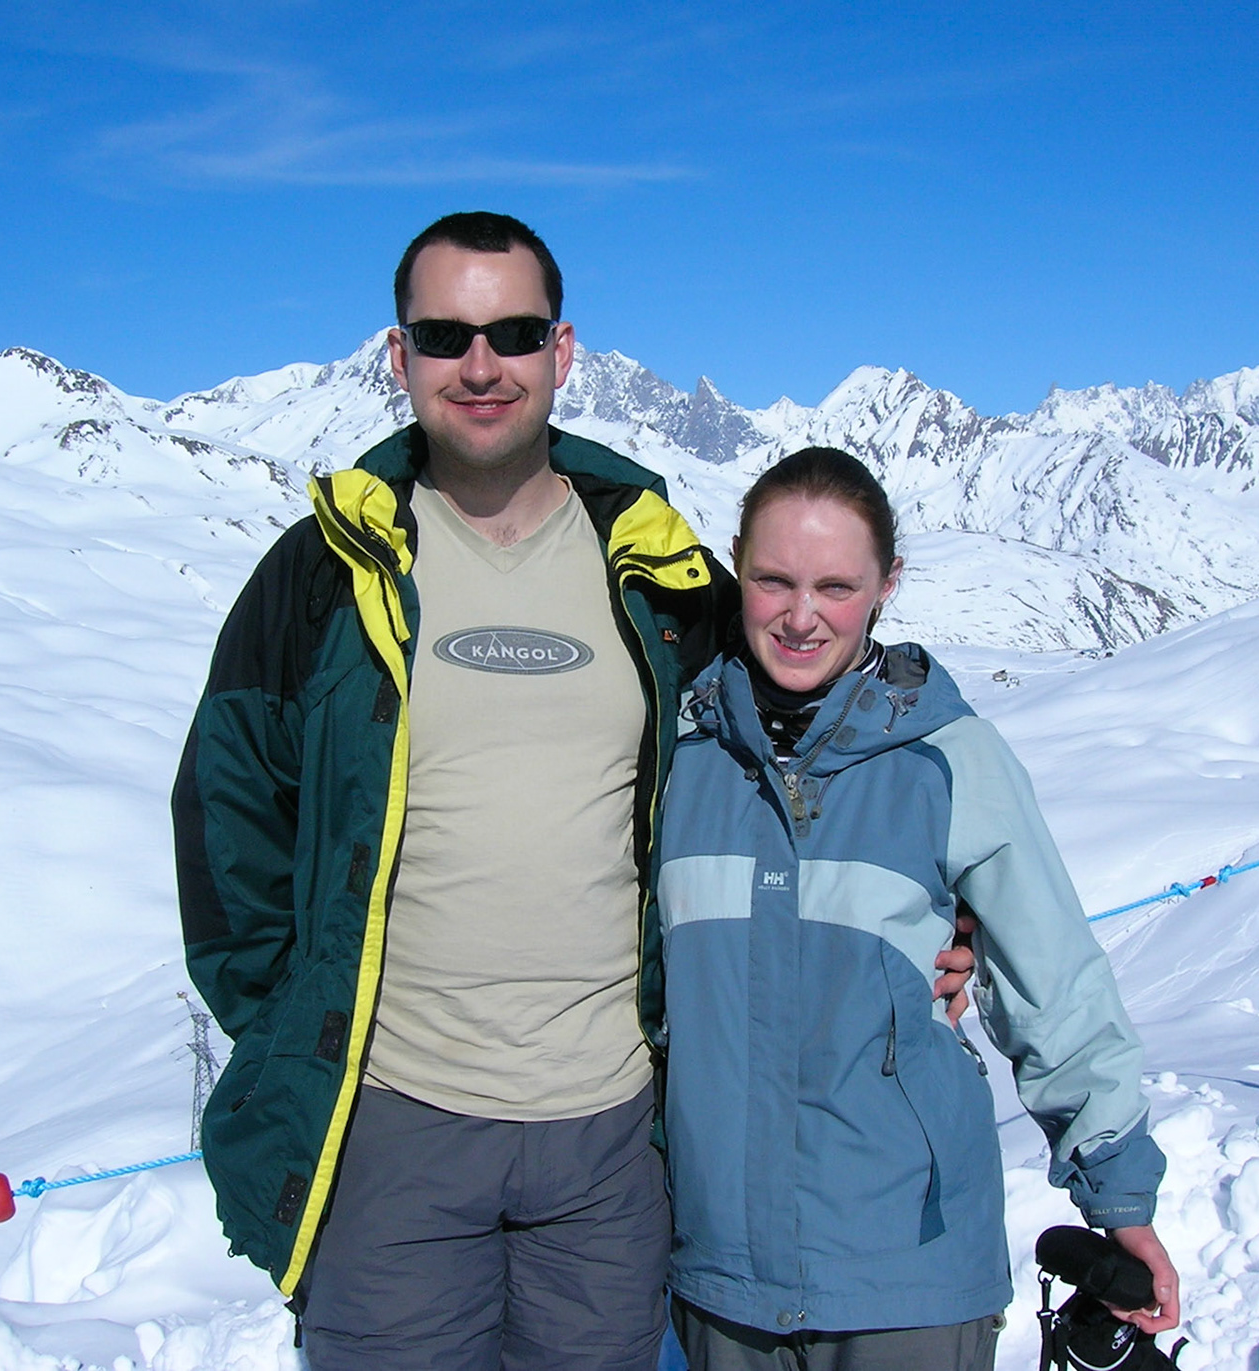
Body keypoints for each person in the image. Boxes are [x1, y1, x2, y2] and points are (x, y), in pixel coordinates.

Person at [171, 217, 971, 1370]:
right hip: (392, 1126)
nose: (482, 363)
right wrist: (299, 1029)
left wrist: (937, 900)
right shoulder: (322, 575)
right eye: (446, 334)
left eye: (514, 331)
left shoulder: (658, 575)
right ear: (397, 356)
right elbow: (226, 824)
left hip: (608, 1139)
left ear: (563, 349)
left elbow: (788, 763)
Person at [655, 447, 1179, 1370]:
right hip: (718, 1277)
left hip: (909, 1271)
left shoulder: (949, 758)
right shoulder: (680, 754)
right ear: (735, 562)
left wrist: (1119, 1196)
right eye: (773, 580)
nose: (802, 615)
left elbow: (1049, 976)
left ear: (888, 584)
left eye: (837, 585)